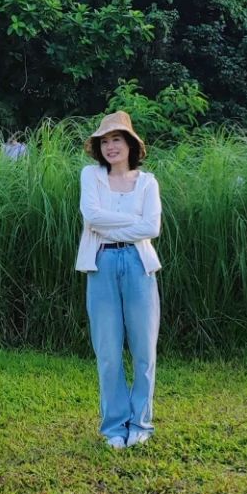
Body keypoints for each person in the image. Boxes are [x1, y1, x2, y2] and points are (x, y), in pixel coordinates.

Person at [76, 110, 162, 450]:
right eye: (105, 141)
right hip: (102, 263)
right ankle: (114, 426)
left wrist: (115, 224)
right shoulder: (91, 175)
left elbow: (151, 228)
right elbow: (92, 217)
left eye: (117, 140)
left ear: (130, 144)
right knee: (108, 350)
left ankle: (140, 423)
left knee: (144, 349)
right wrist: (131, 220)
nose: (111, 147)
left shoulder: (148, 182)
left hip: (140, 265)